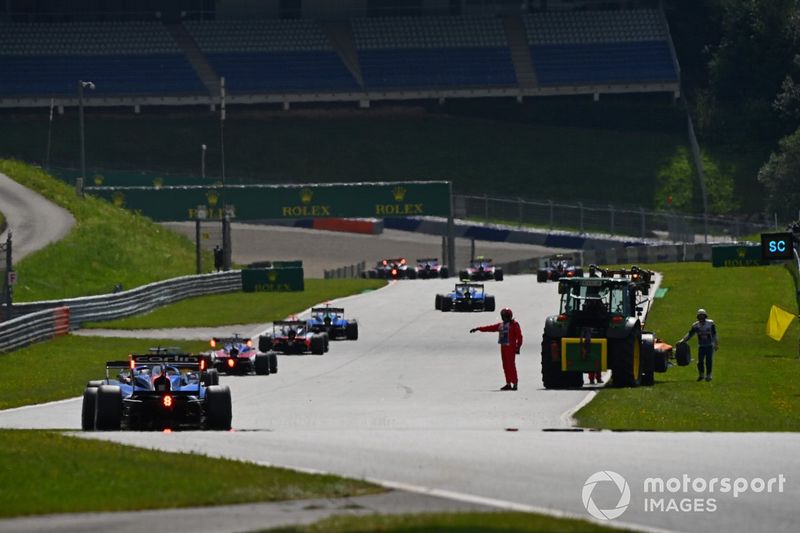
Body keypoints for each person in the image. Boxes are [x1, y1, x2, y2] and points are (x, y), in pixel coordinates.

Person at [470, 308, 523, 391]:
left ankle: (515, 383)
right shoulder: (501, 325)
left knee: (511, 365)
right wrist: (478, 328)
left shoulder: (514, 324)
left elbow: (519, 337)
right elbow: (489, 328)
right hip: (503, 347)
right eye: (503, 316)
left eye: (505, 316)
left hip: (511, 347)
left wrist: (518, 347)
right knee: (505, 365)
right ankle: (508, 383)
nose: (504, 318)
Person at [678, 308, 718, 382]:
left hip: (709, 345)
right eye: (700, 316)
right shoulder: (696, 325)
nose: (701, 317)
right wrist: (683, 340)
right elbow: (690, 334)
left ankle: (709, 375)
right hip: (701, 346)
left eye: (702, 315)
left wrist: (716, 344)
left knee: (709, 361)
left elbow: (714, 334)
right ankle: (701, 374)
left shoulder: (710, 323)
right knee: (700, 361)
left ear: (705, 316)